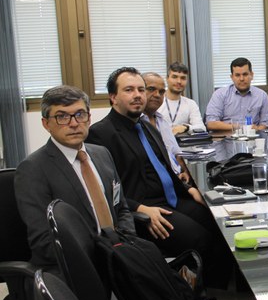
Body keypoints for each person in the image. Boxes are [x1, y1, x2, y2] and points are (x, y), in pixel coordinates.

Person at [87, 67, 232, 288]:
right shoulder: (101, 134)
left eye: (140, 89)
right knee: (200, 240)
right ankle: (198, 295)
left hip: (172, 198)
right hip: (147, 208)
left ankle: (232, 291)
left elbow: (165, 167)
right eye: (129, 90)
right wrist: (140, 209)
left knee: (221, 223)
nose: (138, 95)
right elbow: (103, 190)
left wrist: (190, 189)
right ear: (113, 97)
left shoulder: (147, 126)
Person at [15, 85, 135, 272]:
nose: (73, 123)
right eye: (62, 117)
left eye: (80, 114)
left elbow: (121, 209)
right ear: (46, 124)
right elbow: (44, 241)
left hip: (118, 255)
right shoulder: (32, 169)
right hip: (75, 267)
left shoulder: (102, 154)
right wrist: (103, 255)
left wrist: (126, 243)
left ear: (89, 118)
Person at [142, 72, 192, 182]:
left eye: (161, 91)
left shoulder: (161, 121)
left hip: (177, 178)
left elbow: (176, 153)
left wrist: (185, 172)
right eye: (151, 89)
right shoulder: (137, 123)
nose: (157, 95)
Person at [206, 57, 268, 131]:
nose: (241, 79)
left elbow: (266, 124)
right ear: (232, 77)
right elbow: (211, 123)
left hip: (252, 136)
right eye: (237, 75)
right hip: (227, 136)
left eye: (245, 74)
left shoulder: (262, 96)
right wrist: (240, 127)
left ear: (252, 75)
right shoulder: (220, 94)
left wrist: (257, 129)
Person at [157, 61, 205, 134]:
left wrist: (186, 127)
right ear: (167, 78)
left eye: (183, 78)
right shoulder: (157, 101)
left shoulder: (191, 104)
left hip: (183, 140)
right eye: (174, 77)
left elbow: (202, 128)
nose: (179, 81)